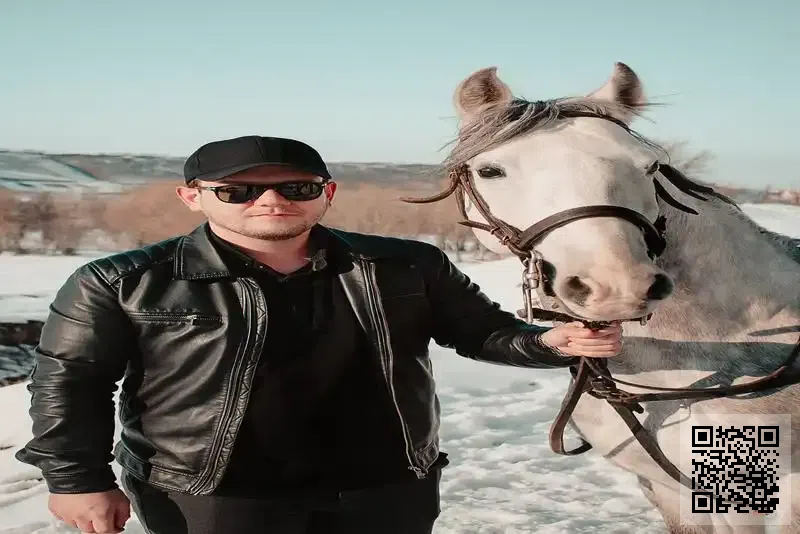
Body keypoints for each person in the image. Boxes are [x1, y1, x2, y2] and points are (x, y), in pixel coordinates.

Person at [16, 135, 624, 534]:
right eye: (239, 191)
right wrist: (76, 480)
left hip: (384, 490)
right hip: (213, 494)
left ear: (326, 194)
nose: (270, 201)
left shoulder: (407, 266)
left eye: (296, 188)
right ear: (192, 197)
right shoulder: (122, 281)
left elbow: (482, 332)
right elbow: (69, 384)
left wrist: (548, 344)